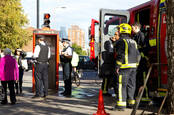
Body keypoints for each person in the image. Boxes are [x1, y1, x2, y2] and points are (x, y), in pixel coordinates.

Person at [113, 23, 140, 111]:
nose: (118, 32)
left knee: (121, 85)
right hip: (133, 67)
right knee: (131, 85)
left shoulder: (121, 41)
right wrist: (136, 65)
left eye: (119, 30)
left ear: (122, 30)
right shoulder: (134, 41)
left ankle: (121, 105)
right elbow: (138, 55)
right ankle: (131, 103)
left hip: (124, 67)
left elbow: (120, 55)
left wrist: (117, 66)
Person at [132, 22, 150, 100]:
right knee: (138, 79)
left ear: (136, 27)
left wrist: (141, 55)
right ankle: (138, 96)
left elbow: (146, 47)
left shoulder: (141, 35)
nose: (131, 29)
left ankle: (145, 97)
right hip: (137, 61)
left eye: (132, 28)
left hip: (142, 61)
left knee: (143, 79)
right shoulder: (135, 36)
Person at [101, 30, 119, 96]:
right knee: (106, 79)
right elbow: (110, 50)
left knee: (111, 79)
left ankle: (108, 91)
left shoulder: (114, 43)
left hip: (111, 64)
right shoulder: (108, 43)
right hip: (108, 65)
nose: (115, 37)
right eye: (114, 36)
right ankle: (104, 91)